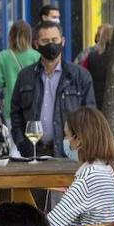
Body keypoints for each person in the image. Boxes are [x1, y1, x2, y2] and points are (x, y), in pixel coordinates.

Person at [11, 21, 96, 158]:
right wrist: (22, 143)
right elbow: (16, 113)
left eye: (54, 40)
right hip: (33, 153)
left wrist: (79, 147)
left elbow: (90, 116)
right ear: (36, 44)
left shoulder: (80, 76)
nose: (51, 44)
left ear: (62, 41)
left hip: (69, 154)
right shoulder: (25, 76)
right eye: (45, 41)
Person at [48, 107, 114, 226]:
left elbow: (50, 225)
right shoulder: (108, 172)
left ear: (79, 140)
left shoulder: (89, 178)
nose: (65, 142)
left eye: (67, 136)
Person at [0, 21, 41, 127]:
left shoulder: (3, 56)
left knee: (13, 141)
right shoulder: (37, 56)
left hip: (11, 107)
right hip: (32, 106)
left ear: (11, 36)